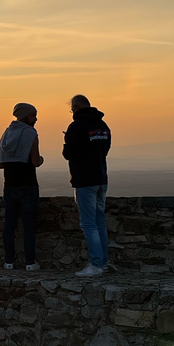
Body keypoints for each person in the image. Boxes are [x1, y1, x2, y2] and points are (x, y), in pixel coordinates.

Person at [62, 95, 112, 277]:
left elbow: (68, 153)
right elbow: (105, 150)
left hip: (84, 180)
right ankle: (104, 261)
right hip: (101, 178)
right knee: (99, 221)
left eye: (72, 110)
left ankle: (96, 264)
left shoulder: (76, 127)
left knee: (89, 224)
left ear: (76, 108)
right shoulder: (103, 126)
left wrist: (67, 141)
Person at [0, 103, 43, 271]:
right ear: (25, 116)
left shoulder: (6, 134)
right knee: (29, 225)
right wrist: (41, 160)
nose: (36, 118)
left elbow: (1, 164)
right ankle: (30, 262)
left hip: (9, 185)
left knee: (10, 225)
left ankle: (9, 261)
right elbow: (35, 161)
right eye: (33, 115)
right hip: (28, 185)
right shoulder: (31, 134)